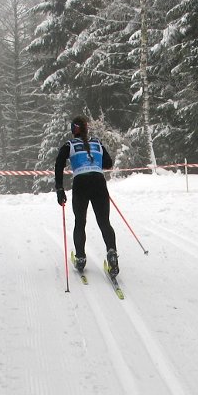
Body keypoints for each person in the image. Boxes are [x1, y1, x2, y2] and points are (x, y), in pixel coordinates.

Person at [54, 115, 119, 277]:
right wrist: (95, 164)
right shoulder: (97, 142)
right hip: (98, 182)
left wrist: (60, 188)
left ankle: (81, 258)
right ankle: (112, 255)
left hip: (81, 184)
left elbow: (59, 164)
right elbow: (109, 163)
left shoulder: (69, 145)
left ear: (73, 130)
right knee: (104, 222)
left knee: (80, 222)